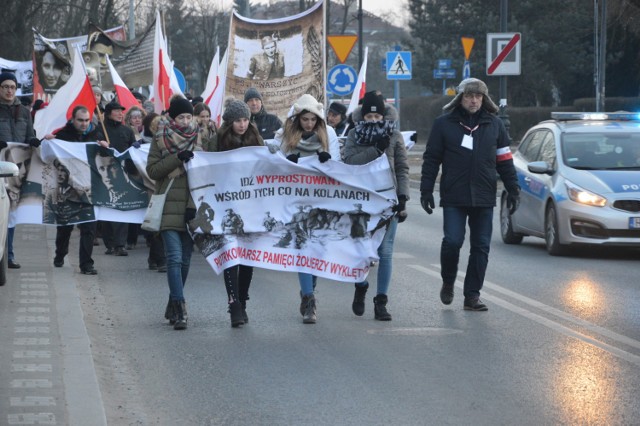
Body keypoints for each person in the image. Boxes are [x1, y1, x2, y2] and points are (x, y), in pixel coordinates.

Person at [420, 78, 520, 311]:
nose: (474, 100)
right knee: (453, 241)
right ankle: (448, 280)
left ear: (484, 100)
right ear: (460, 98)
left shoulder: (495, 125)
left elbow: (505, 161)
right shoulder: (444, 124)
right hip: (455, 194)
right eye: (469, 96)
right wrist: (426, 189)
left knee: (481, 246)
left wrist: (513, 189)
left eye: (478, 96)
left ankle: (472, 295)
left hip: (484, 196)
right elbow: (432, 159)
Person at [272, 93, 340, 324]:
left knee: (317, 250)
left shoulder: (328, 135)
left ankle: (309, 287)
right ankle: (309, 299)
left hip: (322, 201)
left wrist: (326, 162)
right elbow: (276, 167)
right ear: (298, 119)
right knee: (303, 248)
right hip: (296, 202)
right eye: (305, 119)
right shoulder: (286, 136)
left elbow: (339, 169)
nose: (309, 124)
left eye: (313, 120)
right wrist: (287, 162)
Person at [342, 91, 409, 321]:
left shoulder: (395, 135)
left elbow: (401, 168)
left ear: (384, 115)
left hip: (387, 201)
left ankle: (381, 301)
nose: (373, 121)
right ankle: (360, 286)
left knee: (385, 251)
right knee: (360, 249)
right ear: (363, 116)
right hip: (360, 201)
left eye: (377, 117)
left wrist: (403, 198)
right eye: (369, 118)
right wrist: (375, 150)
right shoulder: (353, 134)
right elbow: (349, 162)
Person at [146, 96, 200, 330]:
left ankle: (172, 302)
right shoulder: (160, 138)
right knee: (174, 258)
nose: (186, 121)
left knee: (186, 261)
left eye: (189, 116)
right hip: (168, 205)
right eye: (181, 117)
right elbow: (153, 171)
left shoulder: (200, 138)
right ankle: (180, 307)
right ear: (172, 117)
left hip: (192, 207)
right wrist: (176, 158)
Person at [217, 98, 264, 327]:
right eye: (238, 120)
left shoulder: (256, 139)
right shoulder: (218, 140)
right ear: (230, 121)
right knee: (230, 256)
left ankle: (243, 300)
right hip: (226, 207)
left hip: (250, 207)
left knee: (246, 258)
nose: (243, 124)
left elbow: (265, 168)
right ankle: (233, 304)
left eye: (245, 119)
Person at [47, 105, 106, 274]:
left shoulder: (96, 135)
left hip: (89, 189)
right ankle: (60, 254)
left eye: (87, 120)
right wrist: (48, 141)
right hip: (67, 189)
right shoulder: (62, 135)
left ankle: (86, 264)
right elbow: (48, 157)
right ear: (72, 119)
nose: (84, 123)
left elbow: (106, 159)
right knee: (65, 226)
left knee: (89, 228)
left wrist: (105, 147)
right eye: (80, 120)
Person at [0, 71, 39, 269]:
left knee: (11, 213)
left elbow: (30, 135)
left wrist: (32, 140)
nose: (9, 90)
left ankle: (9, 255)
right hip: (0, 168)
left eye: (12, 87)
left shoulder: (24, 111)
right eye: (5, 86)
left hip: (15, 171)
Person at [100, 101, 137, 256]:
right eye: (116, 111)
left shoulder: (127, 131)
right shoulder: (100, 130)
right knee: (106, 209)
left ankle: (120, 244)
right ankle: (109, 243)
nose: (120, 113)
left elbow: (134, 150)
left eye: (121, 111)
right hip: (104, 175)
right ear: (109, 113)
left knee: (122, 209)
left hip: (123, 174)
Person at [137, 112, 166, 272]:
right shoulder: (141, 145)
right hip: (151, 189)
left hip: (167, 187)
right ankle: (159, 259)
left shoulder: (171, 142)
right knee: (156, 224)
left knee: (162, 224)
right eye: (157, 126)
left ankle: (156, 258)